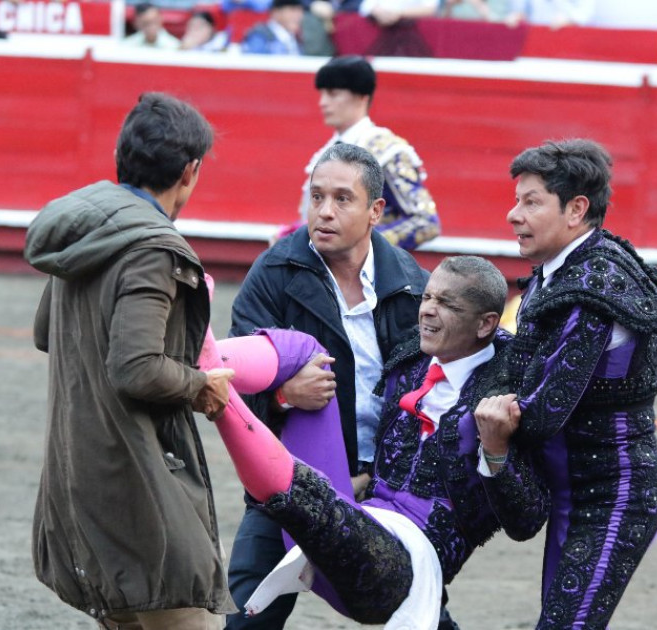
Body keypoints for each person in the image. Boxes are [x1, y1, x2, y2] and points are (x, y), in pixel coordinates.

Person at [205, 255, 547, 629]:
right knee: (307, 353)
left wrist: (496, 451)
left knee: (306, 500)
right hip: (363, 519)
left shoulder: (512, 393)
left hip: (408, 561)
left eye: (446, 304)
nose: (428, 311)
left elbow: (526, 520)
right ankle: (201, 359)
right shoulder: (409, 364)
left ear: (485, 324)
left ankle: (217, 396)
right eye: (428, 298)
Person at [23, 92, 235, 628]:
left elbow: (47, 331)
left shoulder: (88, 229)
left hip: (79, 470)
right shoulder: (151, 247)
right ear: (189, 172)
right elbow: (136, 367)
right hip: (136, 479)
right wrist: (197, 383)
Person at [225, 141, 431, 629]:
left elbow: (436, 389)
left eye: (342, 199)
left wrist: (384, 477)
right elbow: (233, 378)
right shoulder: (274, 273)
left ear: (376, 210)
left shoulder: (413, 285)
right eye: (316, 197)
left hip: (385, 486)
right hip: (294, 477)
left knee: (420, 608)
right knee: (252, 607)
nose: (324, 211)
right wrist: (280, 396)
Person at [475, 139, 657, 629]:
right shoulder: (560, 271)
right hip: (572, 489)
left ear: (576, 209)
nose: (512, 214)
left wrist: (487, 426)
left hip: (614, 494)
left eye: (531, 201)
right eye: (517, 199)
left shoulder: (593, 285)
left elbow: (542, 410)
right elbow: (522, 365)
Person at [288, 55, 440, 251]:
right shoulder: (328, 150)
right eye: (322, 93)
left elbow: (426, 222)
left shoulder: (387, 151)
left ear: (361, 97)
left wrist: (361, 245)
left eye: (333, 94)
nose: (322, 102)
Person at [504, 0, 595, 28]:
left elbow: (584, 15)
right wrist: (518, 16)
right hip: (537, 38)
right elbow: (523, 11)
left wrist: (570, 20)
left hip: (571, 41)